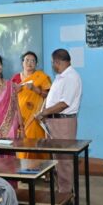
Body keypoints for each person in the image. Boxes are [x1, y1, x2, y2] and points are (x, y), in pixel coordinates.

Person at [35, 49, 82, 194]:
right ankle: (61, 191)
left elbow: (64, 104)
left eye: (52, 62)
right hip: (54, 122)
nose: (52, 65)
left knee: (64, 161)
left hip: (63, 123)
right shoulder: (61, 76)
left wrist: (44, 113)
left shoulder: (71, 77)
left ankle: (66, 196)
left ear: (57, 62)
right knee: (57, 160)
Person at [11, 51, 52, 159]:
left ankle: (42, 168)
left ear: (36, 64)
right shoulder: (15, 78)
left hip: (35, 117)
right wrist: (15, 91)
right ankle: (23, 168)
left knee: (36, 145)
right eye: (27, 60)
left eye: (33, 61)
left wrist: (35, 89)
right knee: (22, 146)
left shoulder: (41, 77)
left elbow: (49, 96)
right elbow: (8, 96)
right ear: (22, 63)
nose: (29, 63)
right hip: (19, 117)